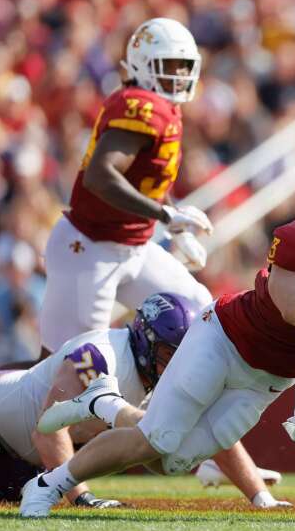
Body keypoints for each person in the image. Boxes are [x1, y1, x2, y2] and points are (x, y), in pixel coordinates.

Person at [20, 168, 295, 518]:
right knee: (158, 438)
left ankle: (102, 404)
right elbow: (293, 306)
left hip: (271, 376)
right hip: (224, 340)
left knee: (171, 462)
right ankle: (48, 485)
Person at [36, 18, 213, 363]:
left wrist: (172, 220)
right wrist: (163, 214)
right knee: (61, 370)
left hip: (132, 245)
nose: (178, 75)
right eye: (169, 66)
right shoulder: (141, 107)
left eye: (184, 66)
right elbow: (100, 177)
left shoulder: (163, 109)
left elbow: (143, 181)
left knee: (201, 314)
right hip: (89, 248)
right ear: (142, 65)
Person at [0, 292, 282, 508]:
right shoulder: (99, 356)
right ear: (146, 340)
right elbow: (48, 431)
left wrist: (260, 497)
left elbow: (217, 432)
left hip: (25, 459)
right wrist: (82, 497)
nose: (178, 365)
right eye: (170, 354)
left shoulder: (161, 372)